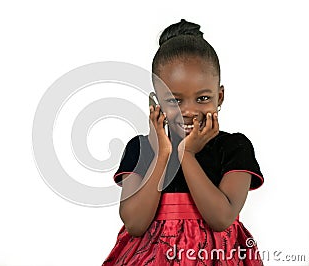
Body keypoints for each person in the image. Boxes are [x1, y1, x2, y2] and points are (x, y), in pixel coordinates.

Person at [102, 19, 264, 265]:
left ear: (219, 96)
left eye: (203, 98)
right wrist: (164, 155)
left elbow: (221, 219)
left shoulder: (234, 147)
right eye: (174, 101)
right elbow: (134, 224)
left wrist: (185, 155)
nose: (189, 111)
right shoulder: (141, 148)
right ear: (155, 102)